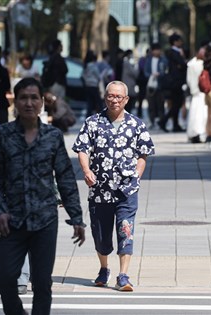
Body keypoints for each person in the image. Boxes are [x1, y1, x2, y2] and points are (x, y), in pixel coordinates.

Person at [0, 77, 86, 314]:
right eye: (23, 97)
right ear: (16, 102)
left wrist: (76, 217)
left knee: (42, 283)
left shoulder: (53, 136)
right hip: (13, 221)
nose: (29, 103)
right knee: (5, 278)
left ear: (42, 102)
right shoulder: (4, 134)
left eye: (34, 98)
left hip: (45, 220)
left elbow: (65, 177)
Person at [72, 81, 155, 292]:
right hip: (100, 191)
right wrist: (86, 170)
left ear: (126, 99)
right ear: (105, 97)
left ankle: (123, 275)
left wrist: (137, 175)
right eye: (110, 96)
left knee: (126, 230)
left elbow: (143, 153)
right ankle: (104, 268)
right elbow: (82, 149)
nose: (114, 100)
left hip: (127, 190)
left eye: (119, 96)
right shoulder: (93, 122)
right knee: (101, 235)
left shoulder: (136, 124)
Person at [159, 33, 187, 132]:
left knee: (176, 103)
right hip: (175, 83)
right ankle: (164, 121)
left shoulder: (174, 52)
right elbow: (183, 65)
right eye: (179, 41)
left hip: (176, 82)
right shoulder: (173, 53)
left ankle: (175, 125)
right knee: (177, 103)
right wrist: (183, 59)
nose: (181, 42)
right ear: (175, 42)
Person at [186, 41, 208, 143]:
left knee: (194, 114)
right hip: (202, 92)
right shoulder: (203, 65)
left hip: (195, 92)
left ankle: (193, 133)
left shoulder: (190, 64)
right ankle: (201, 133)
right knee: (202, 114)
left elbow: (189, 80)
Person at [144, 43, 167, 129]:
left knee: (161, 104)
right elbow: (145, 72)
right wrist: (151, 75)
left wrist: (160, 74)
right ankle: (152, 121)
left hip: (160, 85)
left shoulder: (163, 60)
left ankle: (161, 121)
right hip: (150, 85)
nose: (158, 52)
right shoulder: (149, 60)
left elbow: (165, 71)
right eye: (156, 50)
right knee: (151, 104)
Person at [81, 49, 102, 116]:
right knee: (98, 103)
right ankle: (100, 116)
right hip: (94, 85)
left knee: (89, 103)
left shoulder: (85, 66)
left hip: (87, 86)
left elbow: (82, 76)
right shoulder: (93, 66)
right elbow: (98, 76)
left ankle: (88, 116)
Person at [121, 49, 139, 115]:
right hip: (128, 84)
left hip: (126, 83)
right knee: (129, 101)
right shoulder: (127, 63)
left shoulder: (125, 62)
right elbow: (135, 73)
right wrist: (137, 66)